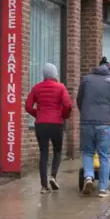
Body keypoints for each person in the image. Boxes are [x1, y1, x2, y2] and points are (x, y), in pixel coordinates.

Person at [76, 57, 110, 196]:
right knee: (104, 155)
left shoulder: (86, 79)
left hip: (86, 122)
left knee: (88, 152)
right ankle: (103, 188)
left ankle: (89, 176)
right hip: (104, 123)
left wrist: (85, 114)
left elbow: (79, 100)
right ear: (109, 70)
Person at [25, 63, 73, 192]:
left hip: (41, 124)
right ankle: (53, 176)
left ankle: (44, 186)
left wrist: (39, 114)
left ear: (44, 75)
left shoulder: (36, 88)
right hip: (56, 124)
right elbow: (68, 105)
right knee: (57, 151)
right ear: (55, 74)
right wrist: (63, 115)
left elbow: (28, 106)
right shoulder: (61, 87)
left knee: (43, 154)